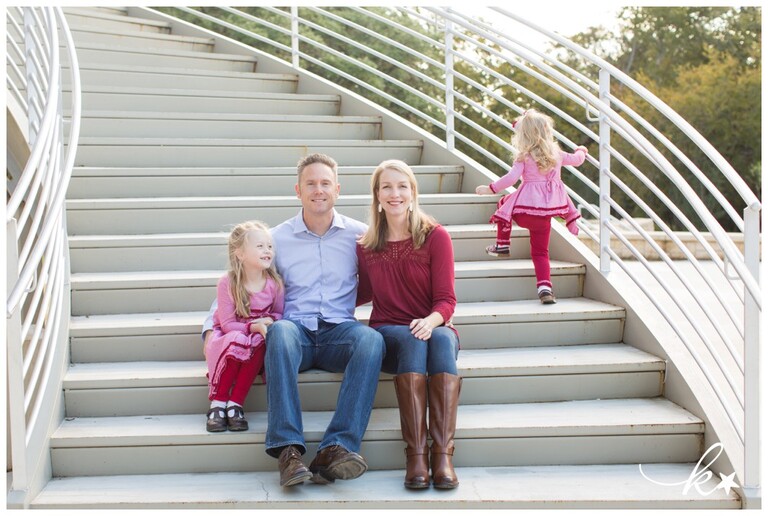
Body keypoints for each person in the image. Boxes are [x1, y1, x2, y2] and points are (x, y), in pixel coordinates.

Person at [202, 153, 385, 488]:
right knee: (281, 330)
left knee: (372, 339)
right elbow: (240, 282)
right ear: (297, 190)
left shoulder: (361, 236)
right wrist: (211, 329)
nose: (319, 189)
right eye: (310, 183)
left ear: (338, 189)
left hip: (338, 333)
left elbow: (381, 283)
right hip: (294, 332)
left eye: (325, 183)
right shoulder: (276, 238)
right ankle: (288, 450)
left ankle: (337, 446)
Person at [356, 159, 461, 490]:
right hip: (389, 332)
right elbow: (357, 293)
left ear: (413, 192)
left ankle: (442, 455)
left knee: (442, 340)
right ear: (377, 195)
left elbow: (447, 301)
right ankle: (416, 456)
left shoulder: (435, 236)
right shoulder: (367, 246)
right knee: (413, 338)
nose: (394, 193)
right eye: (386, 186)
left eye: (402, 186)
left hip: (433, 326)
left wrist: (430, 322)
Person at [475, 108, 588, 304]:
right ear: (547, 132)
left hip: (525, 213)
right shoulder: (557, 154)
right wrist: (582, 150)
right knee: (540, 252)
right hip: (546, 215)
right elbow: (577, 160)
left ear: (523, 135)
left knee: (504, 205)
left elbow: (510, 179)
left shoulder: (524, 156)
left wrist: (490, 188)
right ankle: (545, 289)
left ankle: (502, 244)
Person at [204, 221, 283, 433]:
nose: (267, 251)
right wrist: (252, 327)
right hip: (233, 331)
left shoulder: (274, 284)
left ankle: (235, 403)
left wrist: (268, 323)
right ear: (240, 254)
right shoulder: (227, 283)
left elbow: (278, 313)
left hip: (258, 333)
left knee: (259, 343)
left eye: (269, 246)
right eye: (260, 246)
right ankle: (218, 403)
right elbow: (228, 324)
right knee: (237, 341)